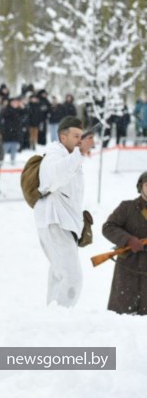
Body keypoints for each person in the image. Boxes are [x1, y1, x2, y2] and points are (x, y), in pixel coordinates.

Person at [35, 116, 95, 307]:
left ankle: (53, 315)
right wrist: (79, 154)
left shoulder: (68, 158)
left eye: (82, 136)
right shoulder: (54, 155)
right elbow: (54, 179)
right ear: (62, 137)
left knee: (59, 274)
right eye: (76, 136)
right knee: (72, 278)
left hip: (61, 223)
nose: (80, 140)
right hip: (55, 222)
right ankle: (59, 318)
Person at [102, 172, 147, 314]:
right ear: (140, 187)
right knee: (122, 319)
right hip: (128, 270)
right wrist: (128, 239)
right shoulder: (127, 207)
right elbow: (108, 227)